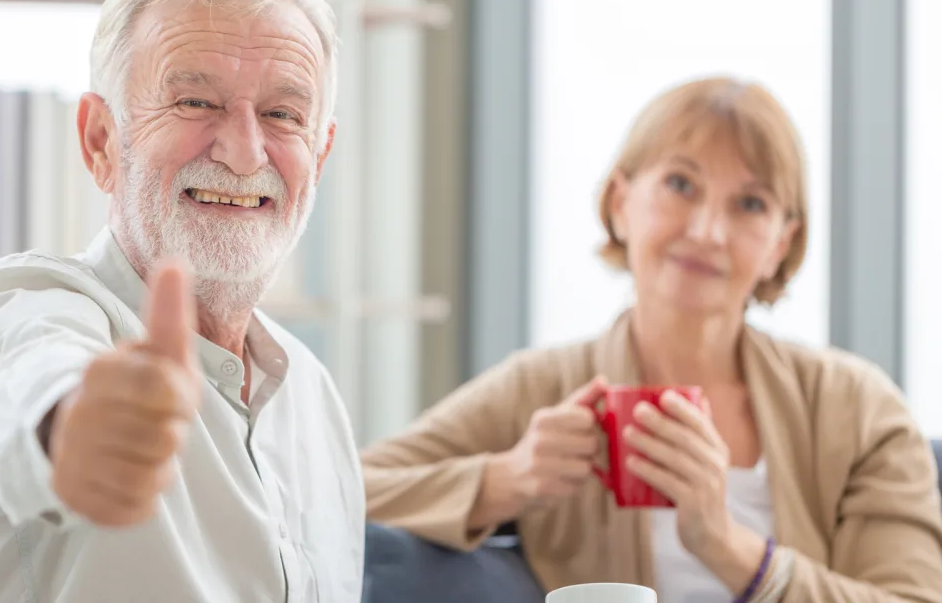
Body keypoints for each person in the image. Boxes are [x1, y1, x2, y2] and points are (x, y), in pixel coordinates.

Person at [0, 0, 364, 602]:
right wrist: (74, 428)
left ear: (320, 152)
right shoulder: (20, 307)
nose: (244, 150)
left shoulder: (313, 396)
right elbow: (30, 386)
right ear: (101, 142)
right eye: (196, 101)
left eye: (284, 115)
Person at [363, 78, 942, 601]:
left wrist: (727, 544)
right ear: (621, 203)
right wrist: (507, 478)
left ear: (781, 244)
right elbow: (340, 491)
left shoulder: (859, 408)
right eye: (680, 184)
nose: (706, 231)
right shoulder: (541, 389)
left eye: (749, 204)